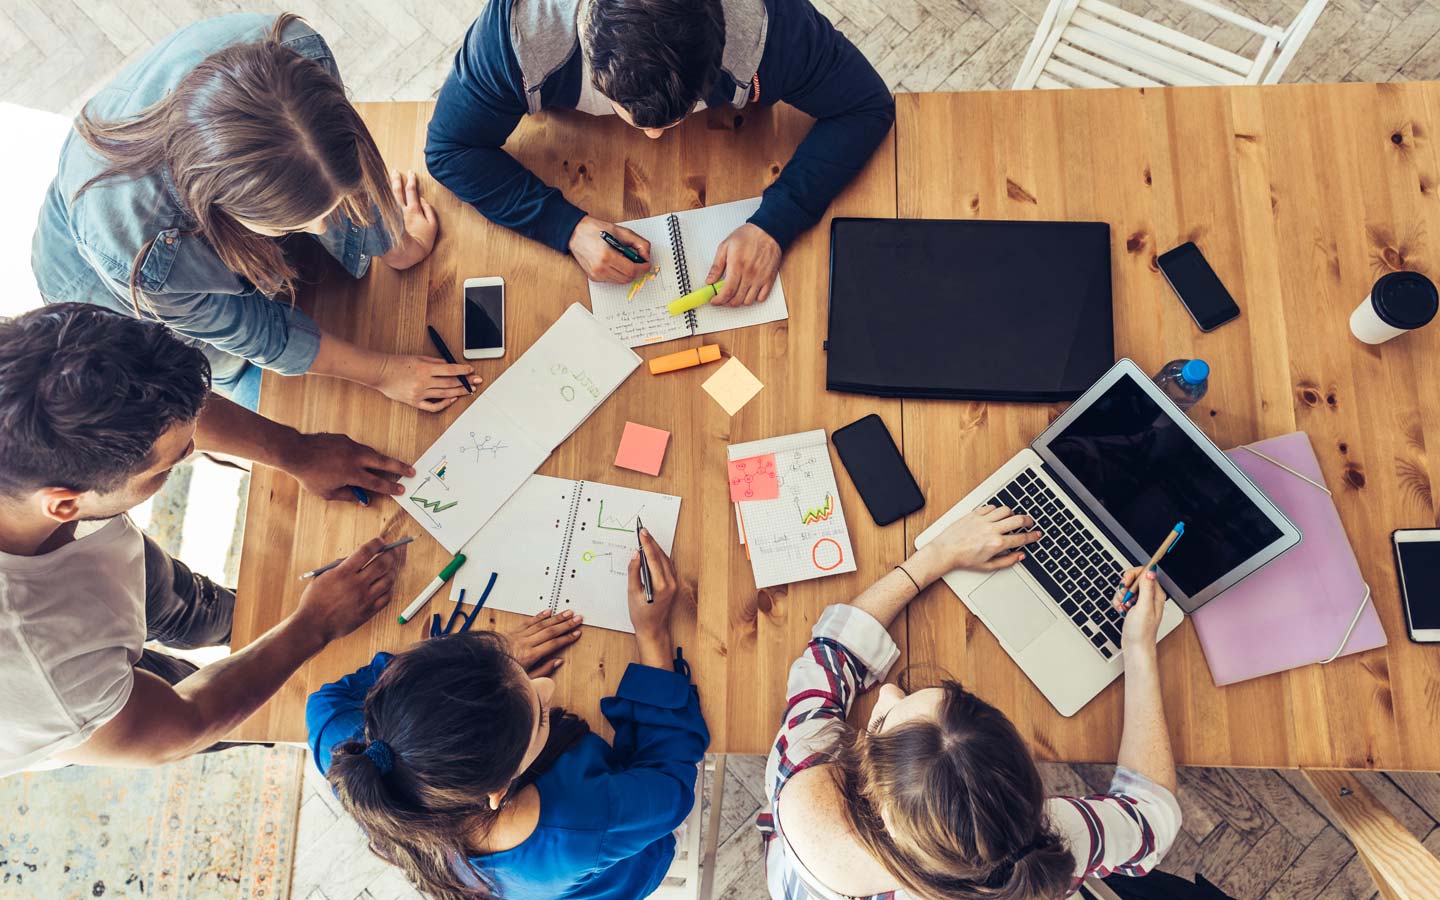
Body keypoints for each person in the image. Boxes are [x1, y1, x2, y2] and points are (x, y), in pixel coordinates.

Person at [0, 304, 418, 774]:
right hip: (75, 697)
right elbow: (180, 725)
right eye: (170, 465)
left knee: (190, 603)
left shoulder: (20, 372)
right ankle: (275, 733)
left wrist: (295, 451)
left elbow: (167, 411)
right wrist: (314, 624)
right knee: (230, 713)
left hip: (85, 571)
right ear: (64, 504)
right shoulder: (44, 672)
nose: (192, 451)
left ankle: (234, 623)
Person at [31, 13, 473, 413]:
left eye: (325, 211)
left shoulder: (299, 52)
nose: (321, 228)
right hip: (101, 281)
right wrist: (383, 373)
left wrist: (393, 243)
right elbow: (260, 334)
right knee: (238, 375)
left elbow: (324, 168)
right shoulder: (147, 257)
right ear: (220, 209)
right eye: (291, 224)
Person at [759, 505, 1182, 899]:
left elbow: (832, 653)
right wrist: (1140, 648)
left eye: (883, 721)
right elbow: (1154, 820)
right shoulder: (1046, 845)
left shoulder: (803, 777)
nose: (887, 692)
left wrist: (937, 555)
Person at [307, 530, 707, 900]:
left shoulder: (352, 751)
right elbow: (669, 782)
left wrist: (469, 672)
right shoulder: (578, 822)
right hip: (613, 868)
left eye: (513, 667)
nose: (546, 686)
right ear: (499, 789)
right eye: (540, 717)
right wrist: (653, 634)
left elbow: (323, 703)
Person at [425, 0, 895, 307]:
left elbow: (866, 105)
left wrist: (777, 222)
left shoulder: (773, 27)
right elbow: (449, 149)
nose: (654, 138)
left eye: (681, 113)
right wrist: (563, 225)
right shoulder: (516, 38)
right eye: (626, 111)